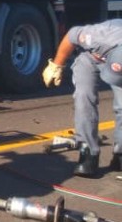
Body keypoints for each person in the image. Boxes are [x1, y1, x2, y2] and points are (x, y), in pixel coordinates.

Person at [42, 19, 122, 177]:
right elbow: (72, 35)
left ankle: (120, 154)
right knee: (83, 97)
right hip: (91, 57)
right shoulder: (98, 36)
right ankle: (88, 153)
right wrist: (56, 65)